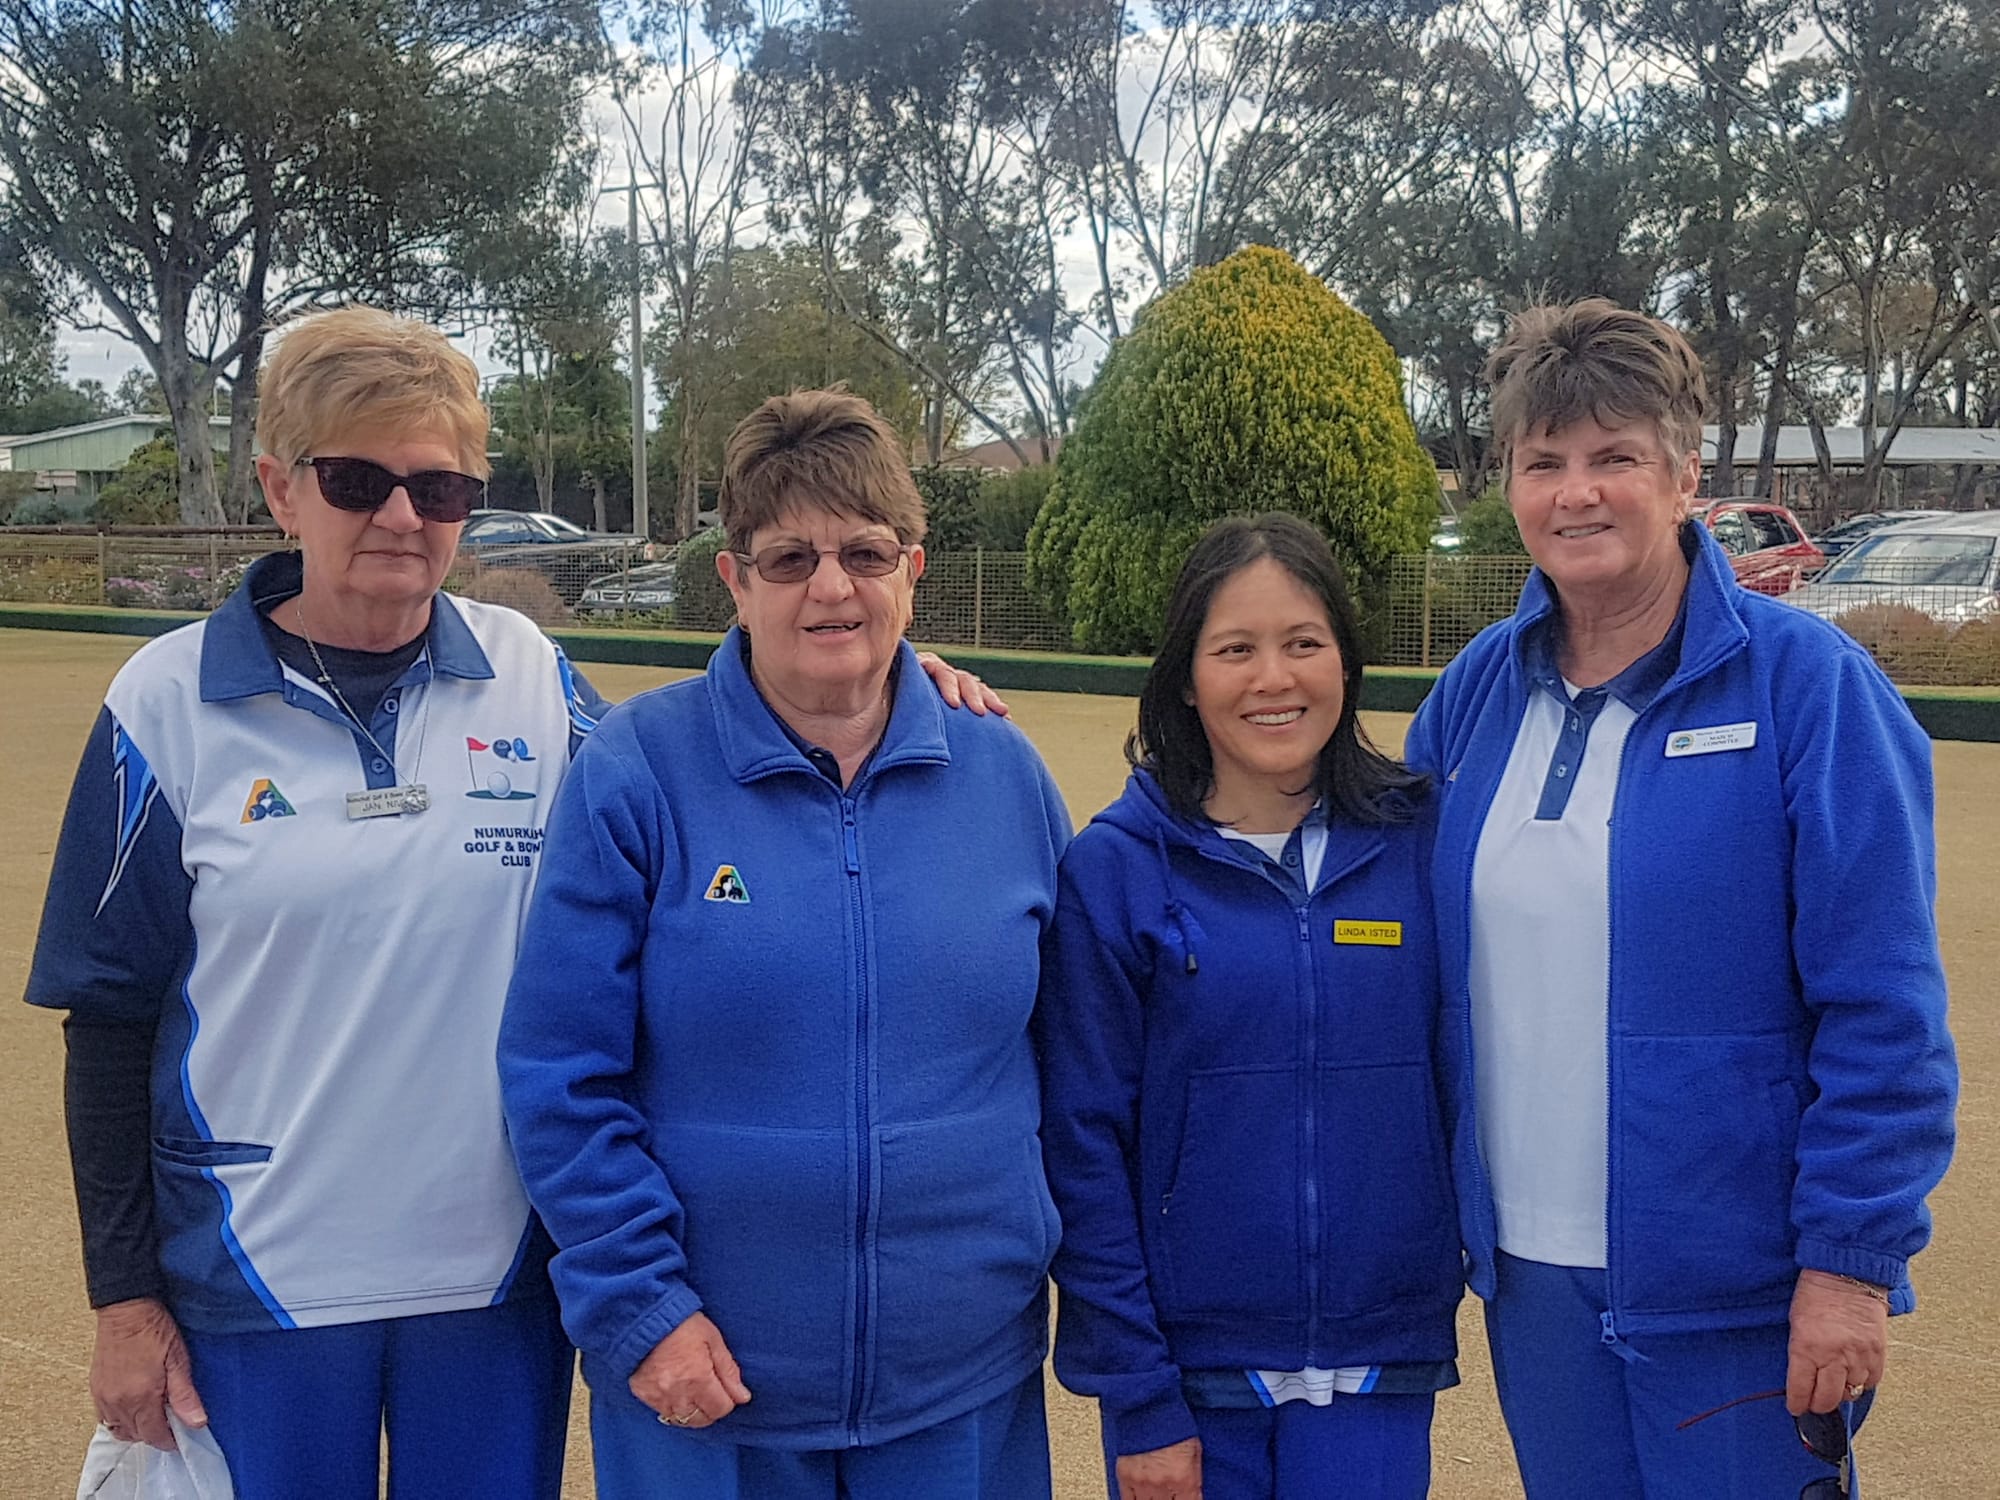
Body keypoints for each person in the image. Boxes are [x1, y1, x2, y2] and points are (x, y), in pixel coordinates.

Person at [23, 311, 1001, 1498]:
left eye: (438, 487)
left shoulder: (533, 675)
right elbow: (109, 1023)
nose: (399, 515)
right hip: (256, 1279)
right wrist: (125, 1299)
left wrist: (899, 672)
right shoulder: (161, 703)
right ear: (281, 489)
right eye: (356, 479)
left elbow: (730, 737)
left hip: (492, 1283)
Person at [1403, 299, 1958, 1497]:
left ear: (1683, 471)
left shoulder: (1810, 688)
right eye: (1541, 462)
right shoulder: (1471, 697)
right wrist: (912, 678)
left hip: (1739, 1290)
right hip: (1527, 1273)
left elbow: (1885, 1008)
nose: (1574, 492)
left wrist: (1850, 1266)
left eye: (1612, 458)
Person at [497, 388, 1072, 1500]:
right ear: (733, 579)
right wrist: (641, 1310)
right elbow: (559, 1074)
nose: (829, 585)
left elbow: (1079, 1064)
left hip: (960, 1387)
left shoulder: (1005, 775)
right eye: (788, 557)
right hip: (707, 1394)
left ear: (913, 567)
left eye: (864, 552)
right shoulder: (636, 770)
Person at [1037, 514, 1461, 1500]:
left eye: (1303, 644)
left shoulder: (1421, 846)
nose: (1273, 679)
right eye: (1234, 649)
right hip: (1187, 1388)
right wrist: (1136, 1393)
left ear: (1346, 666)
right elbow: (1081, 1143)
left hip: (1378, 1365)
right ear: (1186, 677)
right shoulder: (1111, 871)